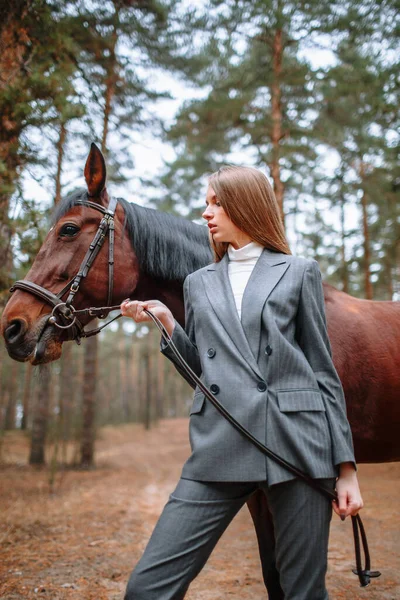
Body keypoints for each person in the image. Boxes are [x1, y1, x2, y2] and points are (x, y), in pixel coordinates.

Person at [121, 166, 363, 600]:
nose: (206, 212)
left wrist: (346, 470)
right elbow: (203, 371)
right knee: (147, 588)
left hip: (297, 446)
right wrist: (167, 325)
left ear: (246, 205)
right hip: (221, 443)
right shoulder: (198, 282)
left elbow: (323, 373)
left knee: (302, 592)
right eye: (207, 202)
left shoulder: (298, 271)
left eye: (216, 202)